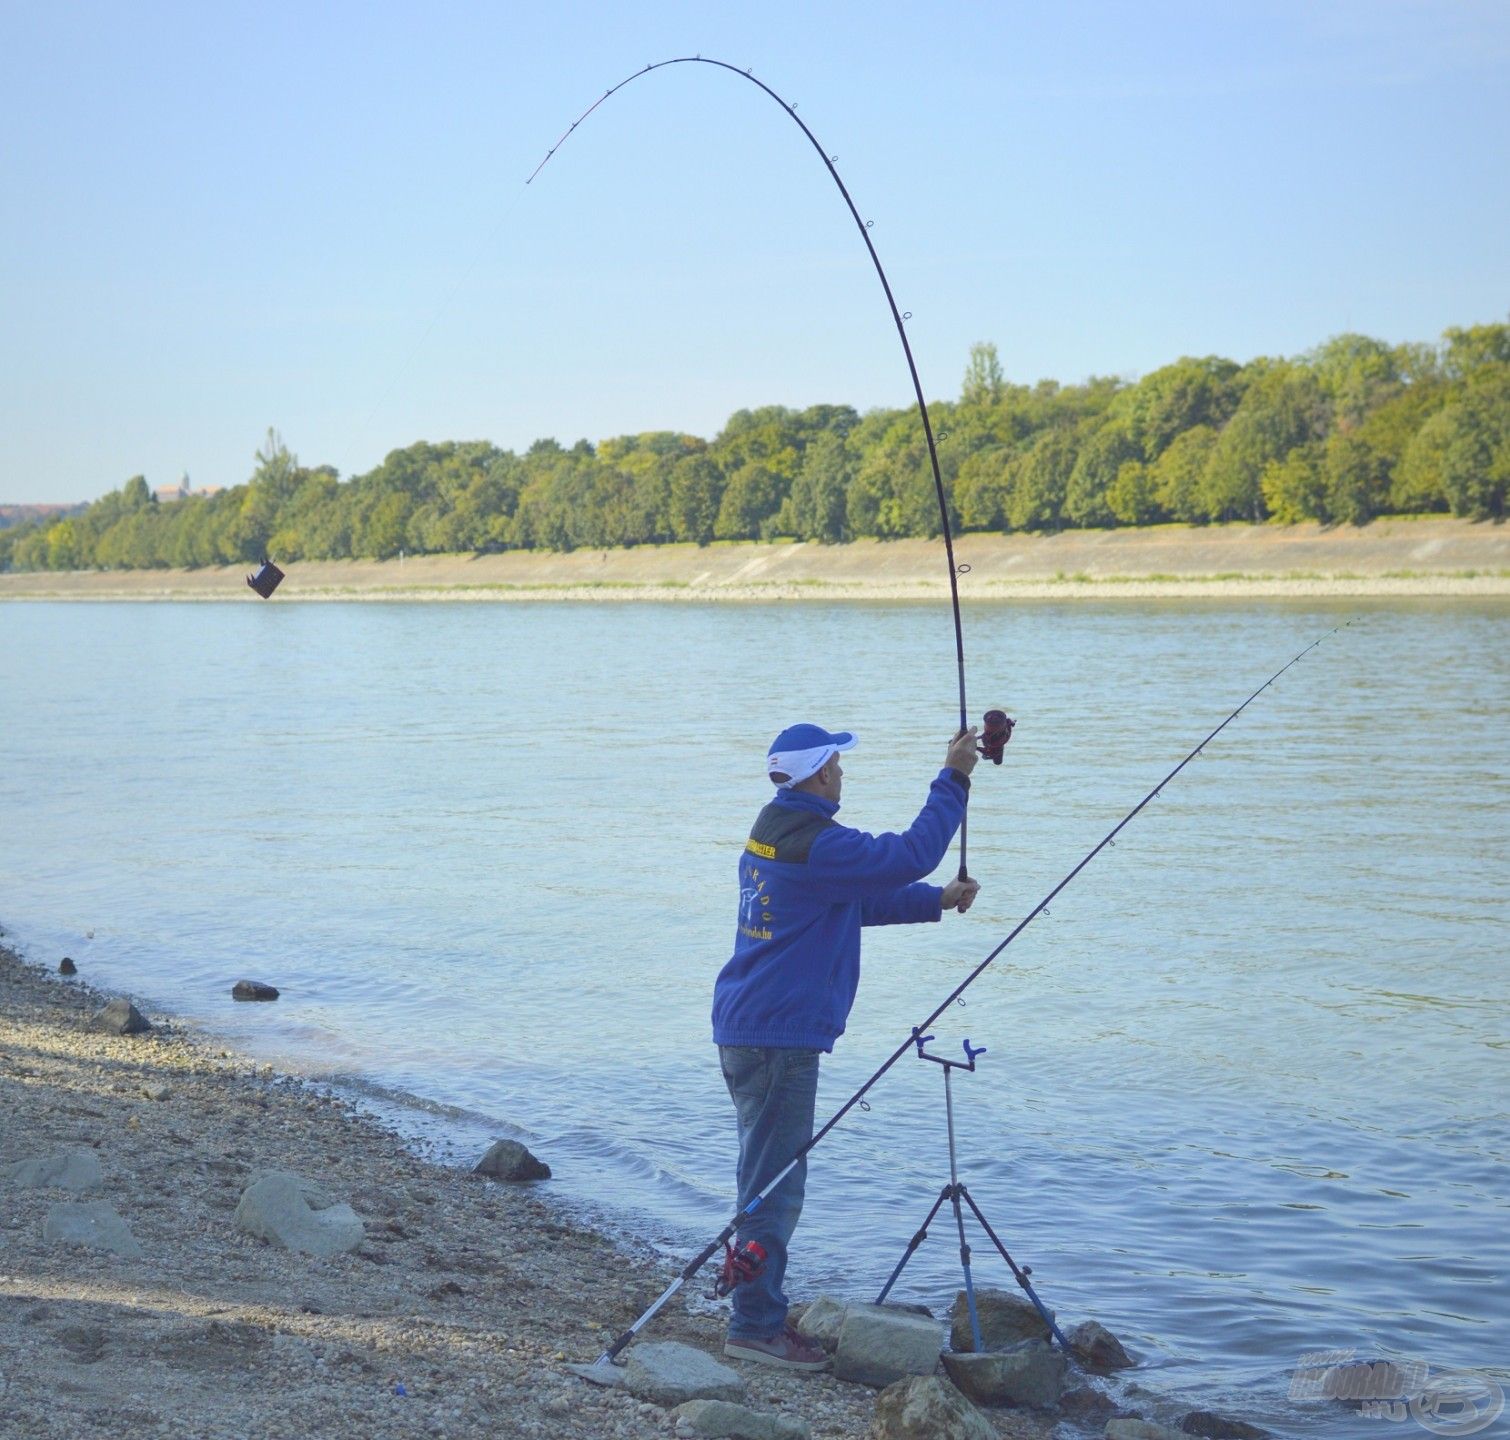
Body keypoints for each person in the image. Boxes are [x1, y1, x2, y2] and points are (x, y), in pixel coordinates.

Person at [710, 721, 982, 1369]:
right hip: (779, 1038)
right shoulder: (822, 843)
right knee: (775, 1186)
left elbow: (846, 905)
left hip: (748, 1025)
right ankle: (754, 1328)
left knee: (763, 1176)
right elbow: (912, 851)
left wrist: (935, 903)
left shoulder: (773, 828)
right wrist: (955, 777)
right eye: (838, 762)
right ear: (820, 774)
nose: (844, 772)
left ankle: (757, 1312)